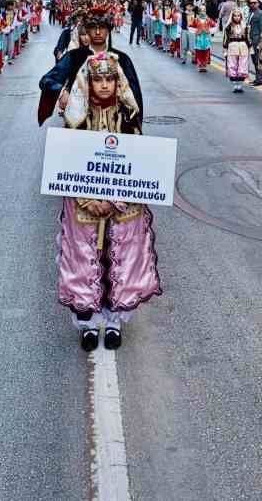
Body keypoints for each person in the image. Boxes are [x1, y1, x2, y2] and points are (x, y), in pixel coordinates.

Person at [54, 51, 161, 351]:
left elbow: (137, 165)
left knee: (121, 259)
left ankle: (113, 321)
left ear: (118, 83)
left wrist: (115, 200)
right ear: (88, 83)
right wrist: (88, 199)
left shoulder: (129, 118)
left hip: (122, 205)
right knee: (85, 260)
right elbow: (67, 163)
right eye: (98, 79)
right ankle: (88, 324)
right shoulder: (77, 120)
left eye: (109, 79)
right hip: (84, 204)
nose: (103, 86)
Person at [222, 8, 251, 94]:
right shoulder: (228, 26)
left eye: (238, 16)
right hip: (232, 46)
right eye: (235, 16)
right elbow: (225, 38)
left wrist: (250, 47)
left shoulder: (245, 26)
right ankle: (235, 84)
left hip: (243, 46)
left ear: (241, 16)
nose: (237, 17)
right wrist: (225, 49)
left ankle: (240, 84)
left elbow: (247, 38)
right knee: (232, 64)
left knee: (243, 64)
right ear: (232, 16)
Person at [246, 0, 262, 85]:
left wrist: (260, 42)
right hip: (251, 40)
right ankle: (257, 78)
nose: (253, 4)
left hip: (257, 40)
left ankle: (260, 79)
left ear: (258, 3)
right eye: (251, 3)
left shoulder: (260, 14)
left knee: (258, 60)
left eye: (255, 3)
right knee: (254, 60)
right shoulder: (251, 13)